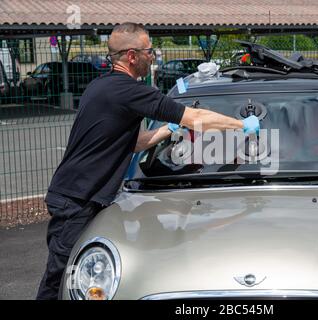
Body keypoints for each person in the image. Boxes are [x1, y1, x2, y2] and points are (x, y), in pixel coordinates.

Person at [36, 22, 259, 300]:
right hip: (77, 200)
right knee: (60, 278)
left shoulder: (101, 87)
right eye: (148, 50)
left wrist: (168, 130)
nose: (152, 56)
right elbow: (197, 118)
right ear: (132, 55)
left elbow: (136, 143)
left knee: (70, 275)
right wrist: (241, 125)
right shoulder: (129, 91)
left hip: (75, 195)